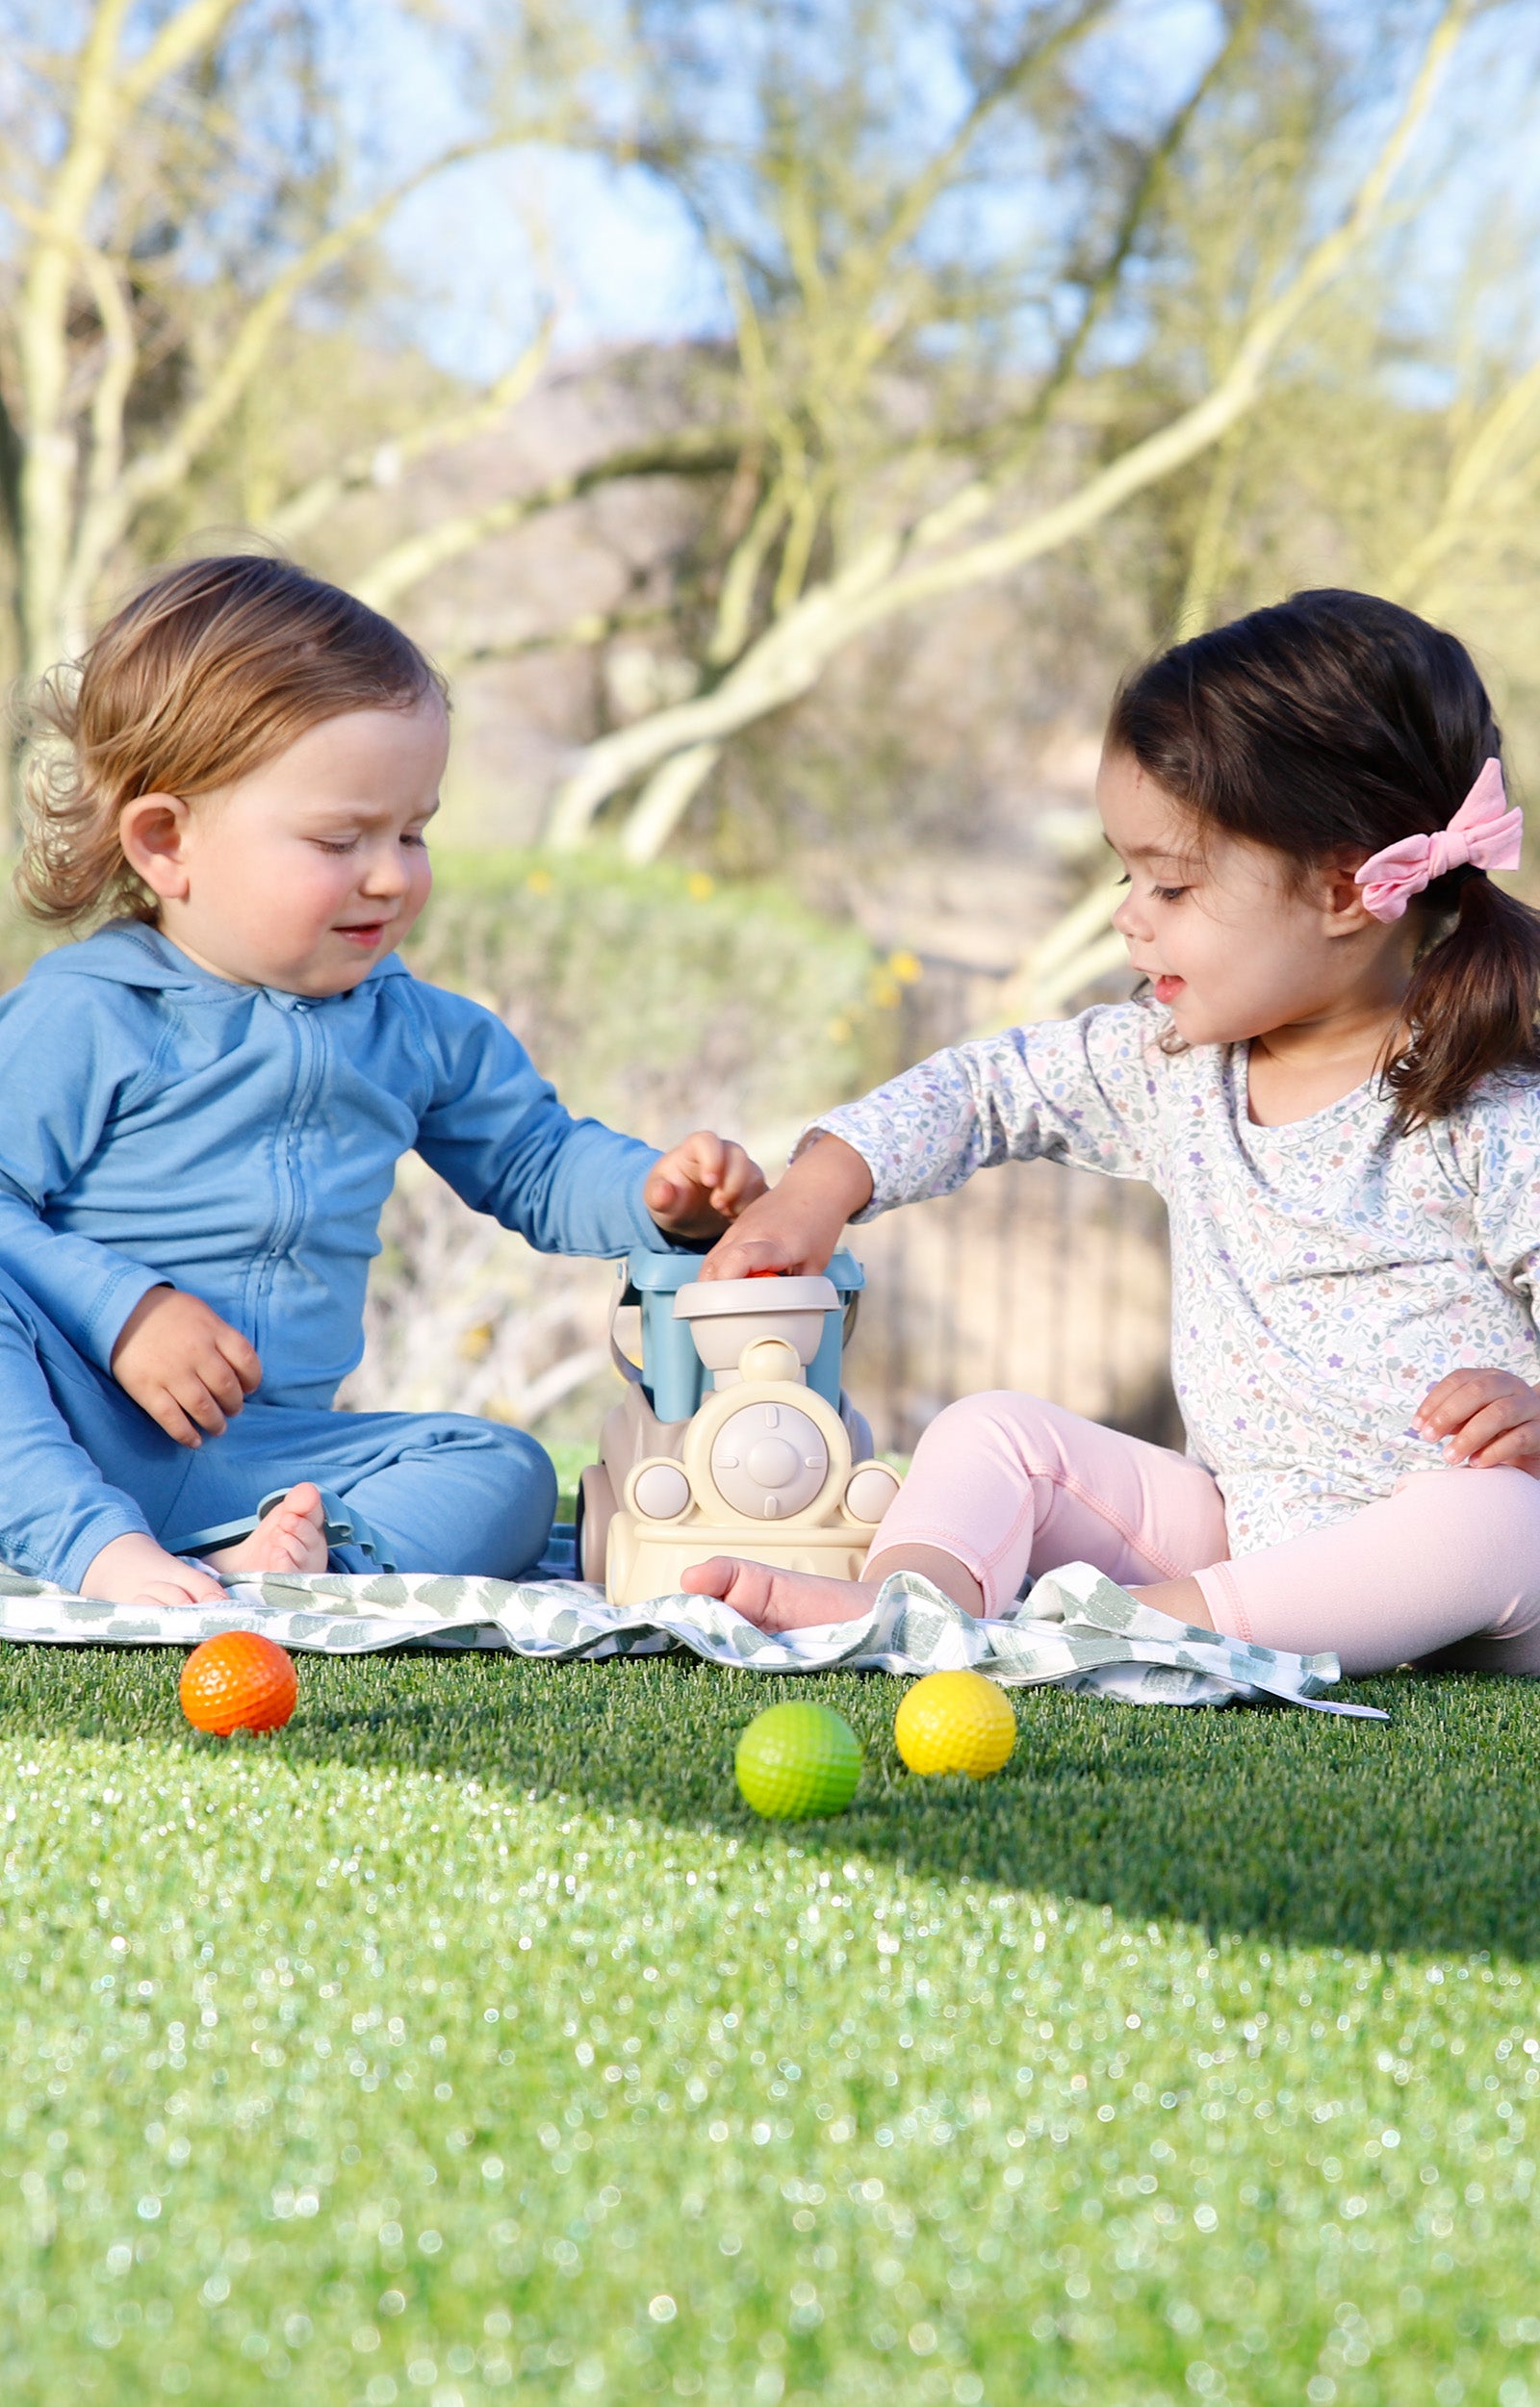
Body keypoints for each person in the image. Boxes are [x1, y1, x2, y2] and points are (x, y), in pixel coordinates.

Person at [682, 588, 1540, 1679]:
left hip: (1471, 1581)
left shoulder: (1489, 1108)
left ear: (1341, 888)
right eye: (1123, 872)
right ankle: (910, 1611)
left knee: (1491, 1515)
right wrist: (819, 1186)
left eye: (1171, 884)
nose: (1129, 914)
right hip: (1243, 1538)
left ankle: (1083, 1632)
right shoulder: (1171, 1067)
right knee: (993, 1429)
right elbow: (983, 1090)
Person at [0, 554, 762, 1608]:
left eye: (412, 831)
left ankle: (294, 1565)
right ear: (167, 842)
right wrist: (125, 1313)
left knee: (505, 1470)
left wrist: (656, 1195)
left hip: (271, 1455)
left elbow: (536, 1163)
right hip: (64, 1420)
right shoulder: (90, 1012)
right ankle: (96, 1552)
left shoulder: (416, 1030)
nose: (392, 874)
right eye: (339, 838)